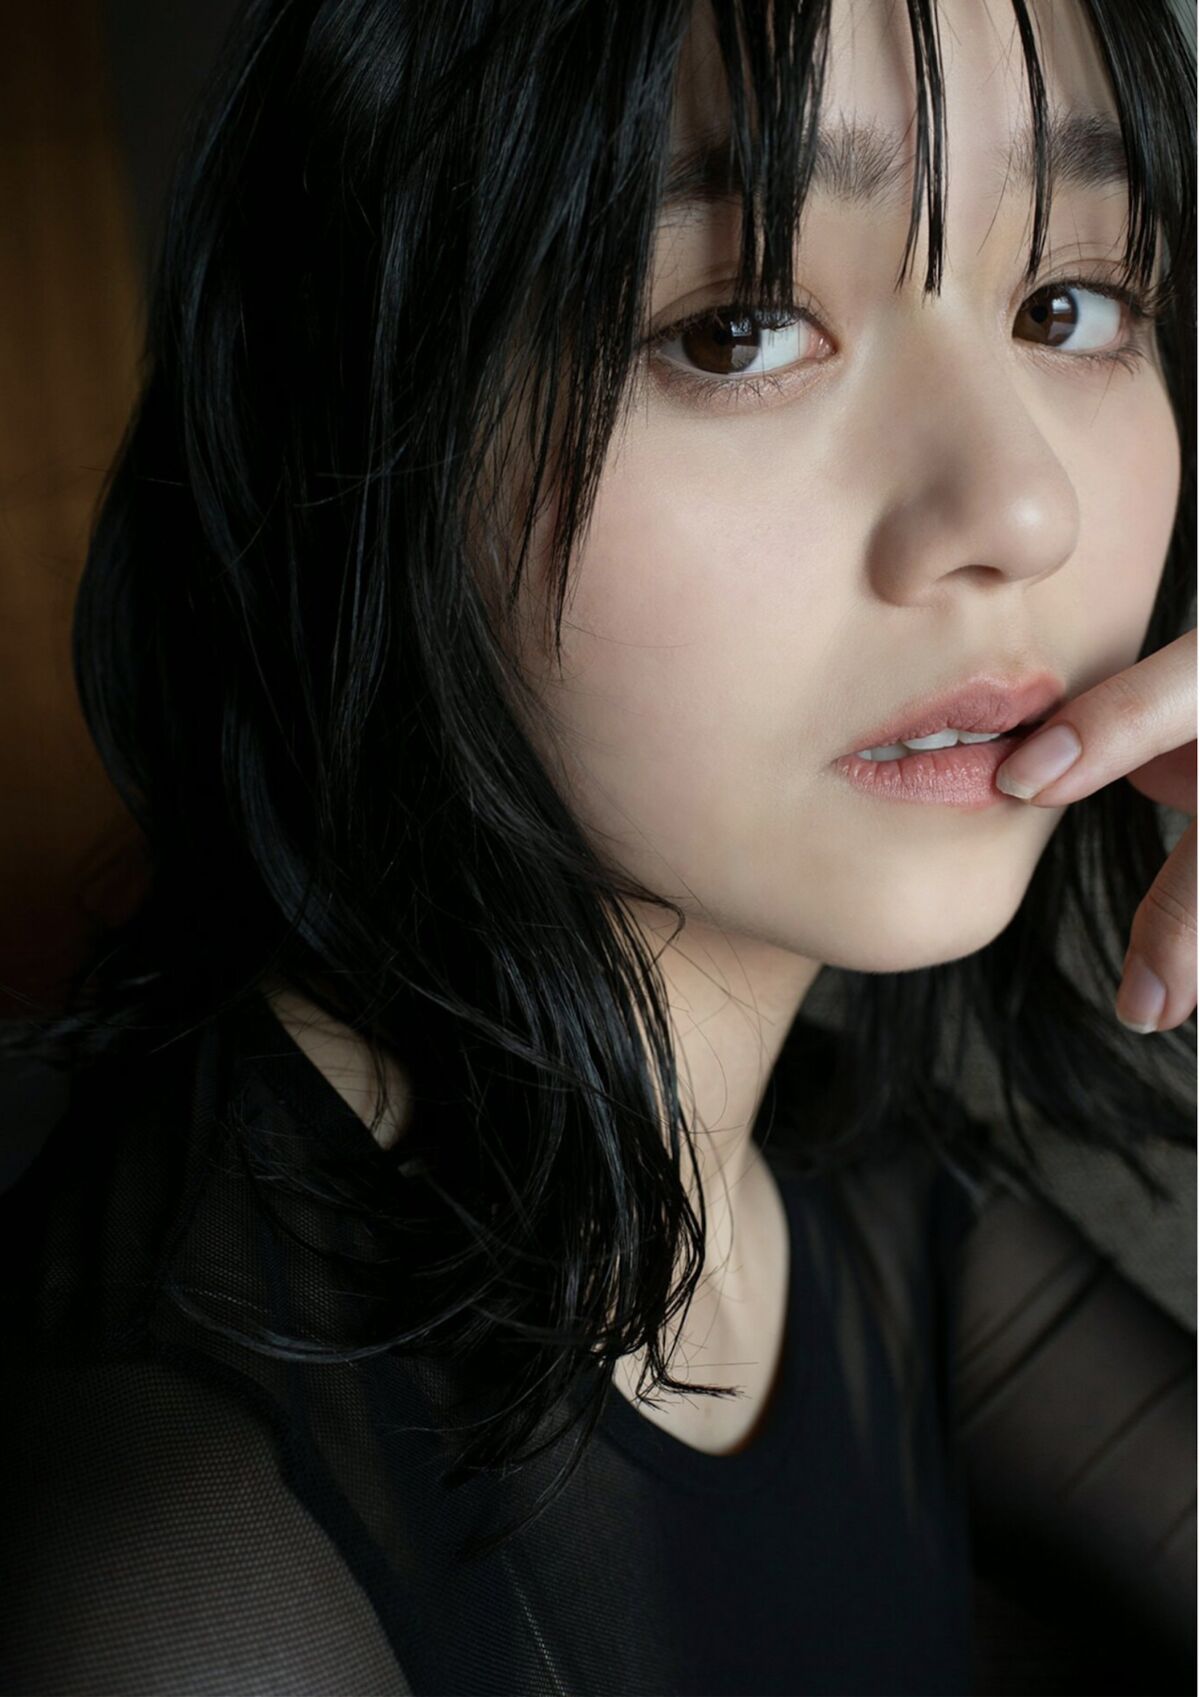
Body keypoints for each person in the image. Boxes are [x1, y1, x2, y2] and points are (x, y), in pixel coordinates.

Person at [0, 0, 1194, 1692]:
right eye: (740, 327)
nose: (1021, 506)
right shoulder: (185, 1564)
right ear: (370, 422)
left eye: (1069, 304)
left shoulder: (852, 1203)